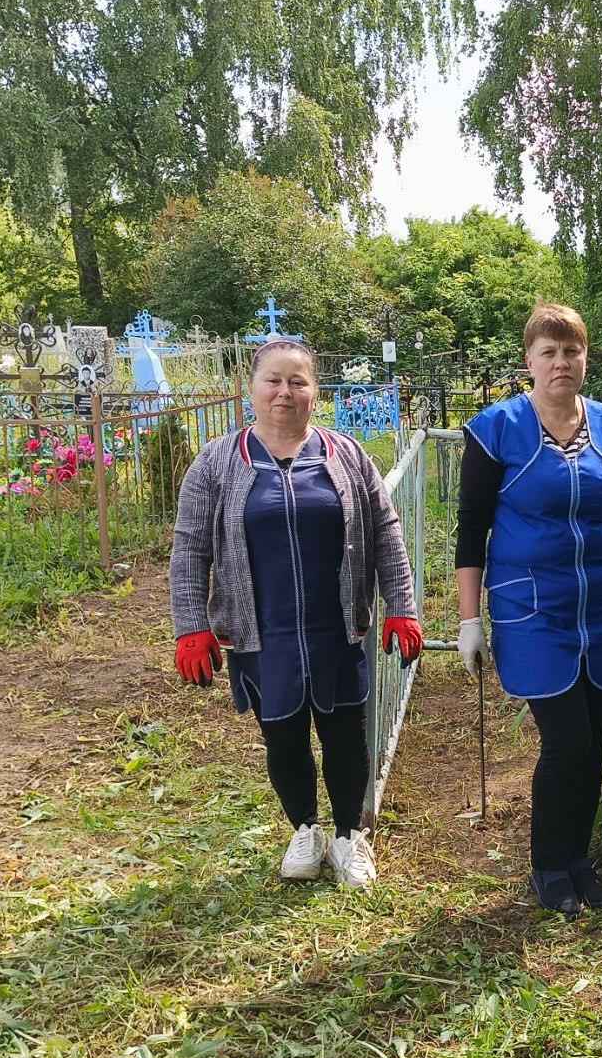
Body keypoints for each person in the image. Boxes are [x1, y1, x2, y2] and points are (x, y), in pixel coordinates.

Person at [170, 340, 421, 889]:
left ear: (314, 392)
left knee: (345, 737)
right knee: (282, 737)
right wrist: (191, 625)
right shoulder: (217, 462)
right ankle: (304, 828)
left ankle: (348, 836)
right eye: (274, 381)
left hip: (337, 629)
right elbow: (190, 547)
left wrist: (401, 606)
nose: (285, 392)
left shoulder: (346, 455)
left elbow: (386, 533)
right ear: (252, 389)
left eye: (298, 382)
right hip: (263, 633)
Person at [454, 303, 602, 917]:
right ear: (529, 362)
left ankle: (577, 857)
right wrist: (469, 620)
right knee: (566, 741)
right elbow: (471, 531)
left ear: (585, 359)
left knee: (593, 739)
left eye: (571, 351)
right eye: (548, 352)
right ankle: (548, 862)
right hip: (532, 610)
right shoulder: (496, 431)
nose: (561, 363)